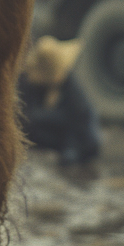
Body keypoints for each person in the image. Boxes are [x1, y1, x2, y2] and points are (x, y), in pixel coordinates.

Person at [18, 35, 100, 166]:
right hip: (47, 129)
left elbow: (83, 117)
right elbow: (27, 118)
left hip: (74, 133)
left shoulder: (69, 84)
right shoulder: (28, 82)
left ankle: (71, 150)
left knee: (86, 142)